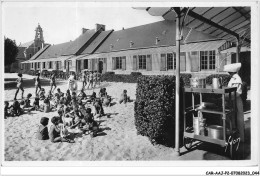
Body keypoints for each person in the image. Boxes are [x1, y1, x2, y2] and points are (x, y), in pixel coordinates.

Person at [224, 63, 245, 143]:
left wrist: (226, 97)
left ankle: (241, 138)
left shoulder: (236, 78)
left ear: (232, 72)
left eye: (229, 72)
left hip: (236, 100)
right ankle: (235, 135)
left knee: (239, 118)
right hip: (233, 99)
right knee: (233, 117)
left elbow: (237, 92)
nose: (228, 73)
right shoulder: (233, 78)